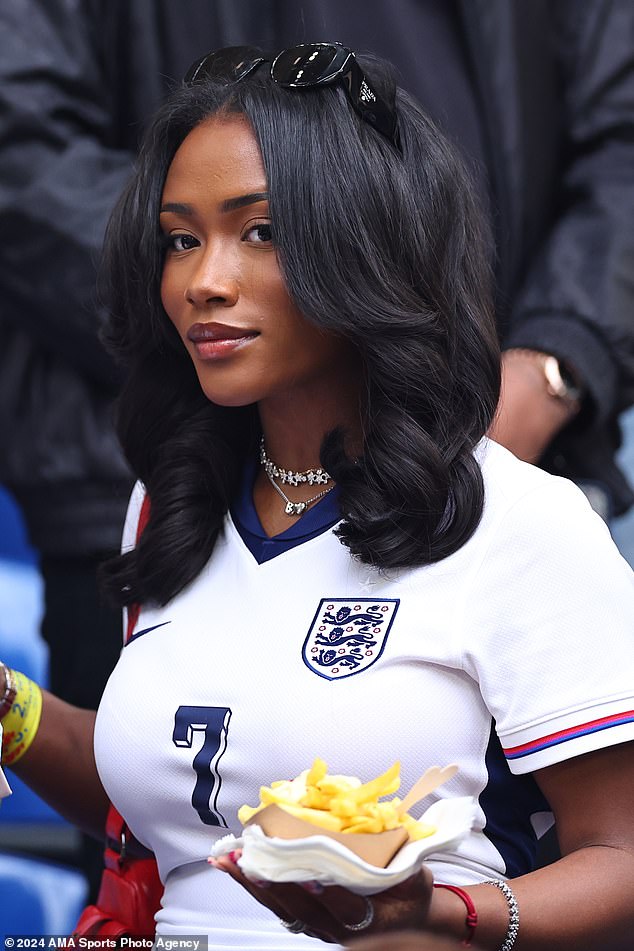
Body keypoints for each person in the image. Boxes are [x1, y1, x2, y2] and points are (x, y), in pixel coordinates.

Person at [1, 43, 634, 948]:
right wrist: (12, 712)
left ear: (366, 245)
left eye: (258, 230)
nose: (202, 281)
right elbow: (178, 807)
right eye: (180, 238)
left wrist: (440, 915)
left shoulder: (519, 520)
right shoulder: (171, 502)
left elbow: (623, 855)